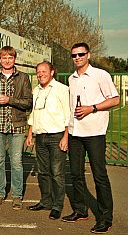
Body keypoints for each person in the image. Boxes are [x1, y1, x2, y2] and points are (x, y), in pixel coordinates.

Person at [62, 43, 119, 234]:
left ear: (88, 55)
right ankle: (80, 210)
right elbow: (71, 109)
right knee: (76, 174)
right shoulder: (71, 79)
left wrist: (92, 108)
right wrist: (67, 132)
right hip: (75, 133)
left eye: (81, 54)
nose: (77, 57)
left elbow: (115, 99)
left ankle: (105, 218)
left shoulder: (100, 75)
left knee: (99, 176)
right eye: (74, 55)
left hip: (94, 133)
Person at [0, 46, 33, 210]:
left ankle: (17, 196)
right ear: (0, 59)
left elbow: (28, 103)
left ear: (14, 59)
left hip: (16, 125)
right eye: (4, 57)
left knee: (16, 161)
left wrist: (9, 100)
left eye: (10, 57)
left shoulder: (23, 77)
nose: (7, 60)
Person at [25, 61, 69, 220]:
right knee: (43, 172)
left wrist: (66, 136)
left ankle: (57, 205)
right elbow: (33, 114)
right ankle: (45, 201)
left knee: (56, 173)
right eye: (38, 72)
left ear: (52, 72)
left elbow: (68, 114)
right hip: (40, 136)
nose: (41, 74)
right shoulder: (36, 90)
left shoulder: (62, 89)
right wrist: (30, 133)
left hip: (56, 136)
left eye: (44, 71)